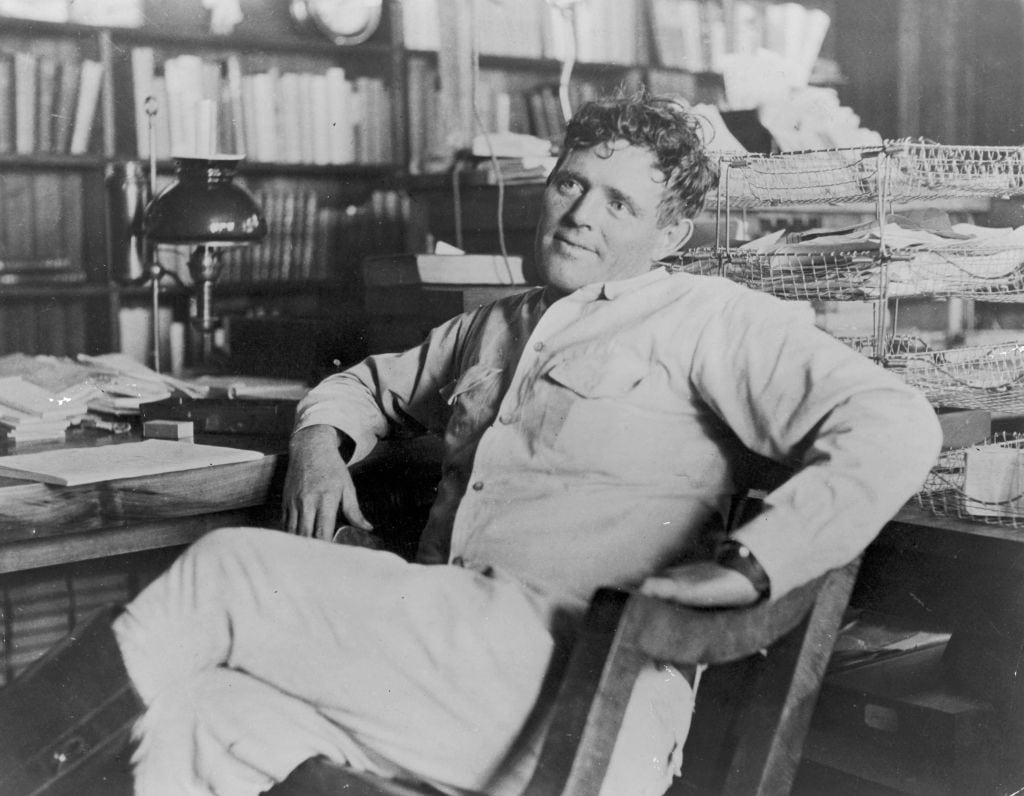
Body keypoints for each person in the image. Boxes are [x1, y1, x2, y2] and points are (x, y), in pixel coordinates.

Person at [0, 89, 941, 796]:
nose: (580, 213)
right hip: (454, 665)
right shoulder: (501, 323)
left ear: (673, 232)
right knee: (206, 717)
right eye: (572, 183)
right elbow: (368, 385)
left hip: (576, 685)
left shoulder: (712, 319)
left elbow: (897, 424)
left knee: (228, 573)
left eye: (619, 203)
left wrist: (751, 563)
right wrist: (323, 441)